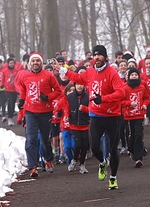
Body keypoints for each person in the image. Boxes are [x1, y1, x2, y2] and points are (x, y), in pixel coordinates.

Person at [56, 45, 125, 190]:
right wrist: (62, 70)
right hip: (95, 115)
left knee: (113, 150)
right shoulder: (90, 71)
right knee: (94, 146)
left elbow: (121, 93)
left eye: (100, 55)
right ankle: (102, 163)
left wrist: (104, 99)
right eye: (95, 55)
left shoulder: (112, 73)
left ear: (105, 57)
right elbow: (77, 78)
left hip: (112, 116)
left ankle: (113, 177)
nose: (97, 58)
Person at [16, 52, 63, 178]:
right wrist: (21, 100)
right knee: (31, 138)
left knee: (44, 139)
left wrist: (48, 97)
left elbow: (58, 91)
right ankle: (32, 166)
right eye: (33, 61)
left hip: (45, 111)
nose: (35, 63)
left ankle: (48, 160)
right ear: (30, 63)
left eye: (38, 61)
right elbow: (23, 89)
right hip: (30, 111)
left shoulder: (49, 76)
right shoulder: (25, 76)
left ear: (41, 63)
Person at [121, 67, 149, 167]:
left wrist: (145, 104)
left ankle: (138, 158)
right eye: (132, 75)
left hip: (139, 115)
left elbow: (146, 97)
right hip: (128, 116)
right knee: (130, 136)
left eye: (135, 75)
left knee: (138, 135)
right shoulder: (124, 87)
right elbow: (121, 101)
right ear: (128, 77)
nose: (134, 76)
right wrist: (129, 103)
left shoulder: (142, 87)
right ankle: (131, 150)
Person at [64, 81, 90, 174]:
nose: (79, 86)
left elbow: (92, 109)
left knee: (84, 146)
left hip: (85, 124)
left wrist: (85, 109)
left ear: (84, 85)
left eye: (81, 84)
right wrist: (66, 115)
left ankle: (82, 164)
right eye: (78, 84)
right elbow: (67, 108)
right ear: (75, 86)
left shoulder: (88, 96)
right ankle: (74, 160)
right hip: (74, 124)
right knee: (77, 144)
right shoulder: (70, 97)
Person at [1, 58, 20, 125]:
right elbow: (2, 78)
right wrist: (2, 85)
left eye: (13, 63)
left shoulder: (17, 71)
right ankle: (9, 118)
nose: (12, 64)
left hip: (14, 89)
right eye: (10, 63)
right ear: (8, 64)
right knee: (10, 102)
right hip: (7, 89)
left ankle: (11, 116)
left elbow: (18, 79)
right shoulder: (4, 71)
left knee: (13, 103)